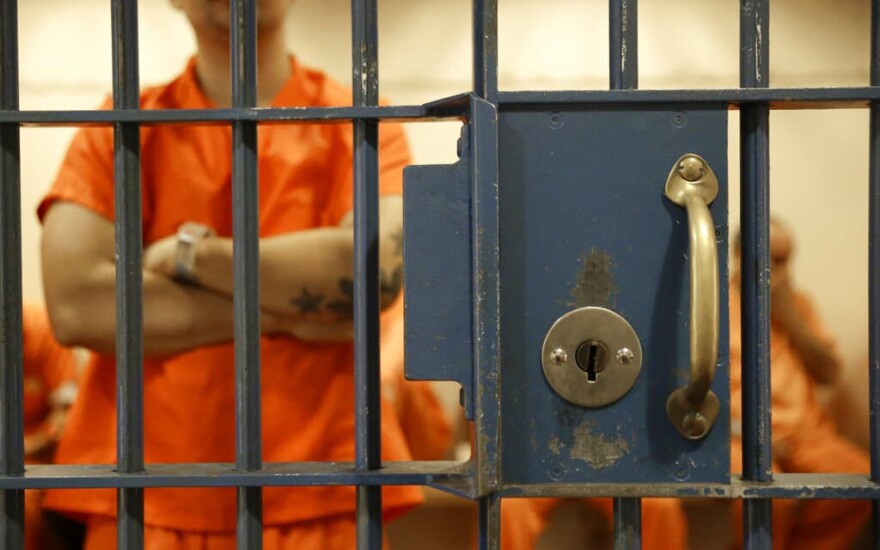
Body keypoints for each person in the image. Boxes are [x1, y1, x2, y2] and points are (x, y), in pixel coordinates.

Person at [38, 0, 422, 547]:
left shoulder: (362, 118)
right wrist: (293, 308)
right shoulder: (120, 128)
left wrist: (193, 257)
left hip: (324, 484)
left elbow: (374, 273)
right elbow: (78, 307)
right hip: (146, 494)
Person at [729, 218, 870, 549]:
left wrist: (789, 317)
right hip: (737, 436)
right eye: (772, 260)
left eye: (786, 261)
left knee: (856, 480)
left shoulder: (798, 305)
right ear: (738, 254)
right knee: (766, 501)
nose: (781, 272)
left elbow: (829, 373)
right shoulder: (716, 305)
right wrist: (744, 433)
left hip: (806, 434)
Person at [21, 302, 79, 550]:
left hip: (30, 461)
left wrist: (24, 448)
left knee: (17, 500)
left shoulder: (43, 329)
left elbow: (66, 416)